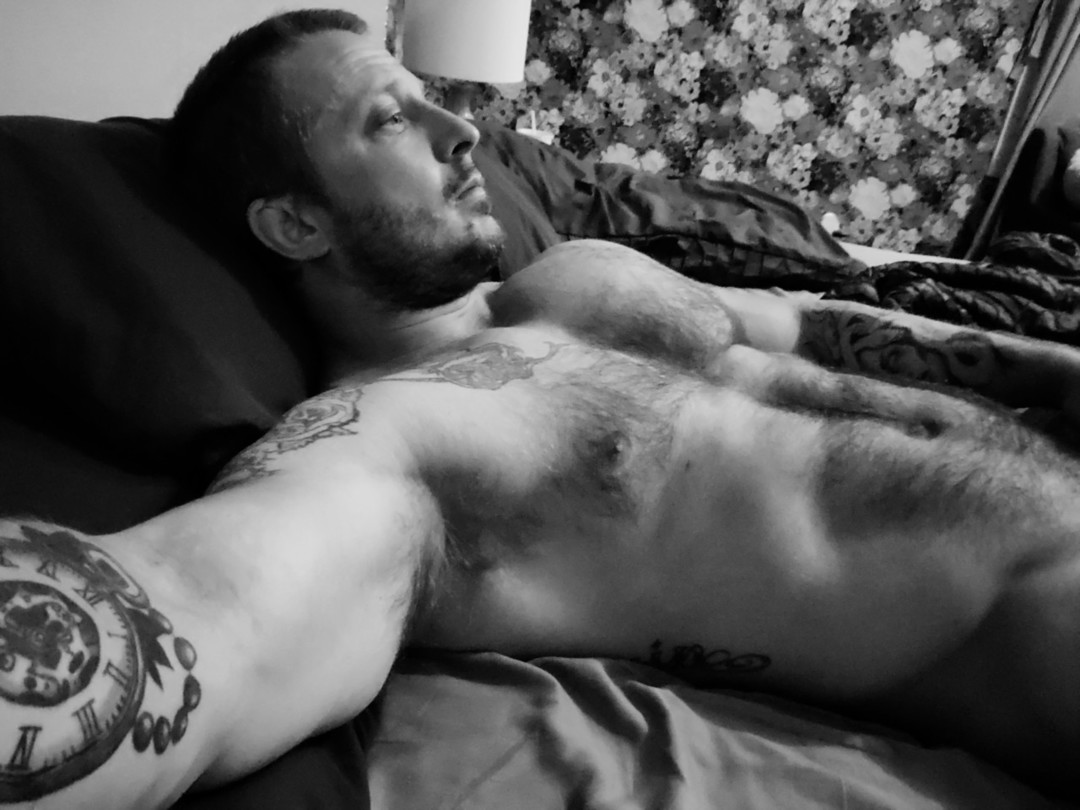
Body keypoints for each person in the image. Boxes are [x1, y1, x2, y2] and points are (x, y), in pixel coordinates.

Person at [3, 9, 1079, 808]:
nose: (462, 131)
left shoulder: (584, 272)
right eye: (393, 119)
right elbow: (206, 608)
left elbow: (815, 328)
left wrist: (1052, 367)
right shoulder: (393, 444)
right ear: (295, 225)